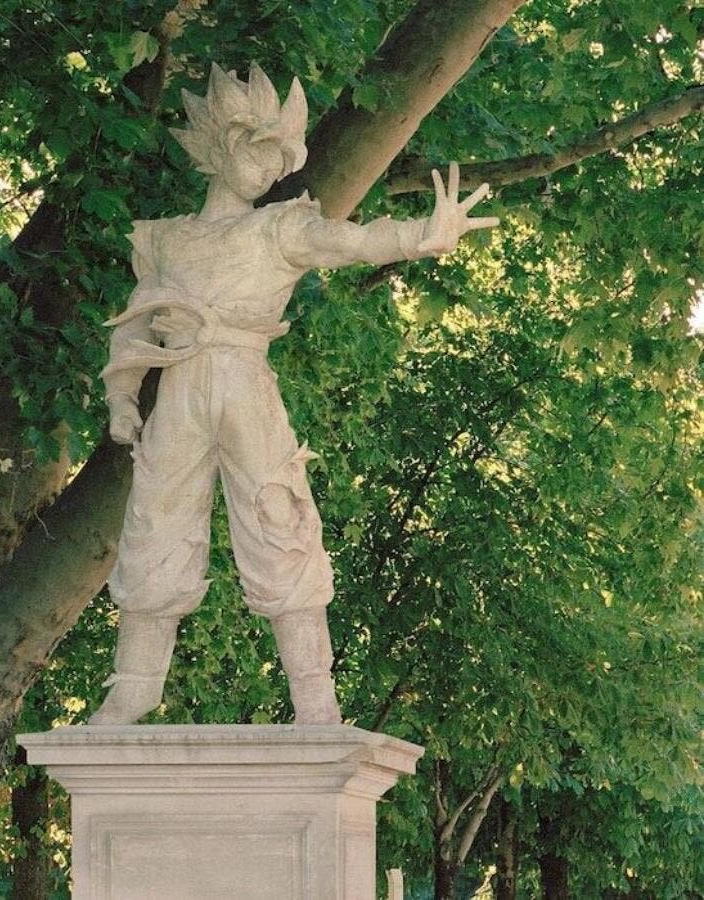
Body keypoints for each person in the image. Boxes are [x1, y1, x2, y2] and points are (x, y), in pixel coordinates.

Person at [90, 63, 499, 725]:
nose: (268, 170)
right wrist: (122, 398)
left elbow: (351, 241)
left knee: (281, 523)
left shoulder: (280, 227)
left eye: (279, 159)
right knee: (153, 529)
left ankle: (316, 699)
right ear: (221, 146)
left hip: (247, 387)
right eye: (259, 151)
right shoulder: (168, 240)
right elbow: (136, 321)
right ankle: (134, 687)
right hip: (182, 391)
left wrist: (422, 234)